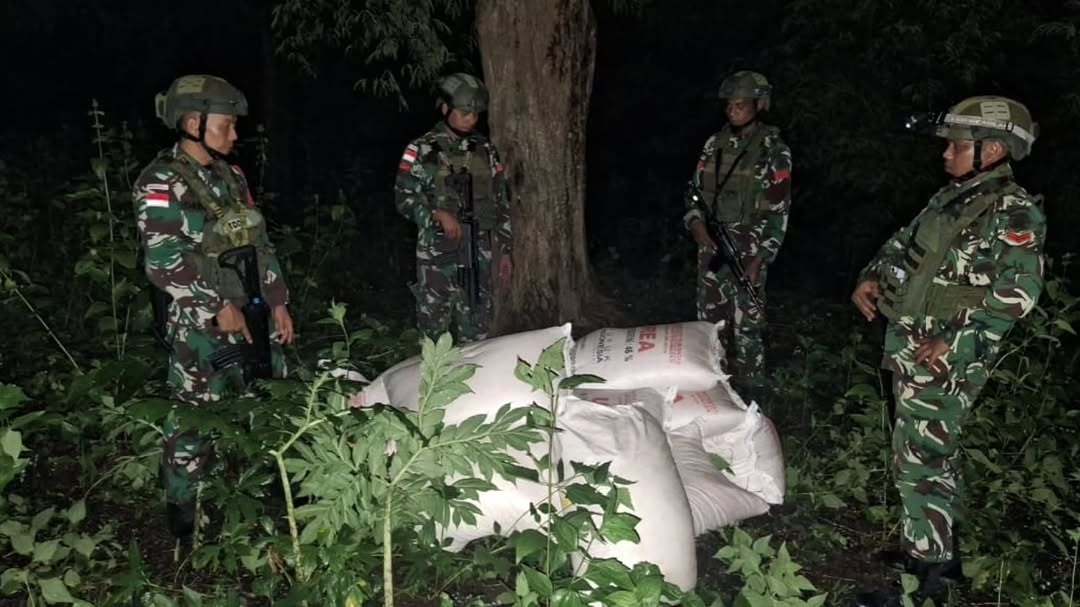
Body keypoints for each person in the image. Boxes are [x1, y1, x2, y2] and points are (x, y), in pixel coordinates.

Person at [851, 96, 1046, 606]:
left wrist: (952, 341)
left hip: (947, 355)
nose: (946, 154)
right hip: (914, 343)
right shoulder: (951, 199)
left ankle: (926, 580)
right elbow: (901, 245)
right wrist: (870, 276)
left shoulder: (1013, 210)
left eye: (957, 146)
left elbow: (1018, 294)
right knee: (929, 453)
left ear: (993, 150)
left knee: (921, 461)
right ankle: (935, 552)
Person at [133, 74, 295, 538]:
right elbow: (163, 262)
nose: (235, 134)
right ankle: (183, 509)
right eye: (226, 125)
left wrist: (279, 301)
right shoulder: (160, 182)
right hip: (198, 320)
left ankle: (269, 486)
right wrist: (216, 305)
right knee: (194, 415)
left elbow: (258, 243)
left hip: (253, 307)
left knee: (269, 394)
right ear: (193, 124)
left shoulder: (231, 176)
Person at [683, 70, 793, 401]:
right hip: (712, 248)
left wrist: (761, 258)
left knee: (749, 327)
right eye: (729, 105)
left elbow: (779, 211)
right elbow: (693, 192)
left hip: (749, 249)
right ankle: (712, 389)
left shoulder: (774, 151)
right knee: (709, 325)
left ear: (759, 105)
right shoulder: (713, 145)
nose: (732, 111)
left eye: (740, 105)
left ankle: (753, 395)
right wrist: (695, 224)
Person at [394, 72, 513, 344]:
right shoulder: (421, 149)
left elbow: (501, 202)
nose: (471, 119)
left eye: (475, 114)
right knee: (434, 334)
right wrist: (436, 214)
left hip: (478, 254)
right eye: (464, 113)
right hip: (437, 255)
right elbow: (403, 198)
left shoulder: (485, 150)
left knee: (478, 333)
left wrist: (506, 249)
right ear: (446, 109)